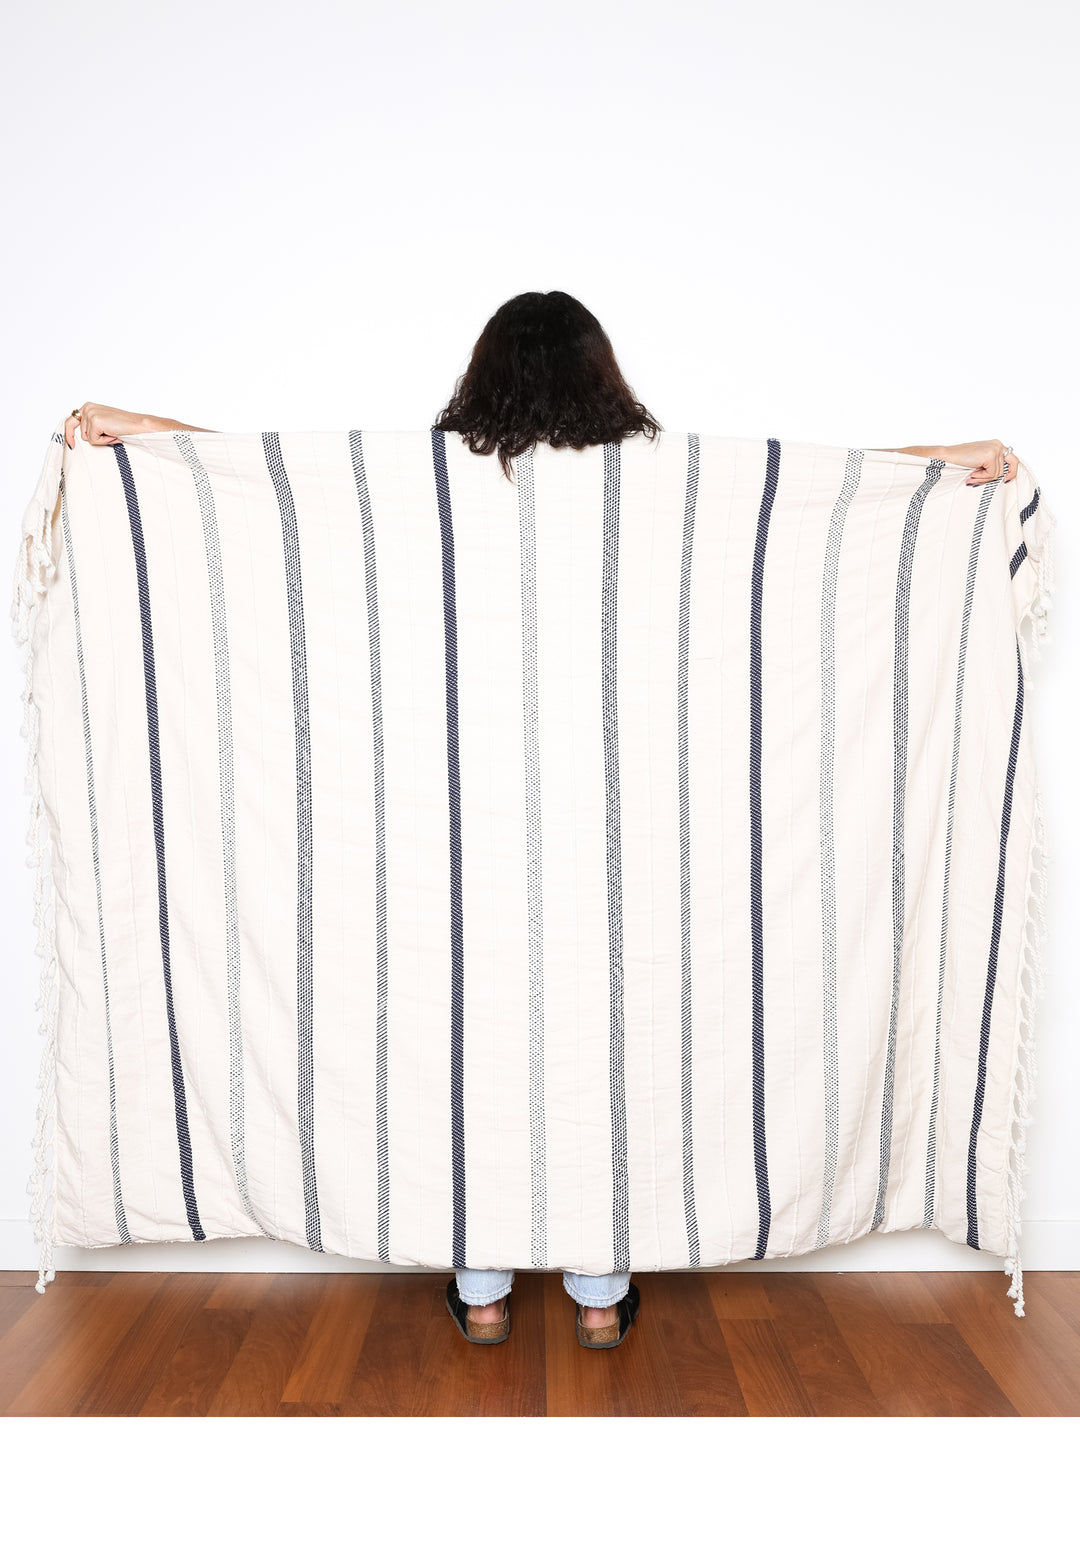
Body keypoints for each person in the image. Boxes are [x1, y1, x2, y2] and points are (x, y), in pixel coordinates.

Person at [63, 290, 1021, 1349]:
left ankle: (480, 1291)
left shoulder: (423, 486)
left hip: (450, 850)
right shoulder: (665, 485)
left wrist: (146, 436)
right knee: (610, 1054)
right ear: (602, 372)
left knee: (462, 1048)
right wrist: (948, 461)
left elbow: (267, 491)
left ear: (482, 373)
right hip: (629, 852)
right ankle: (600, 1300)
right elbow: (826, 498)